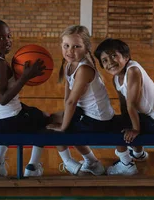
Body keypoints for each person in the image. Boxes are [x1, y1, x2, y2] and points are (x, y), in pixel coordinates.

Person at [0, 19, 52, 177]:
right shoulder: (0, 64)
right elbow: (3, 99)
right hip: (7, 119)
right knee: (45, 120)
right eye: (0, 39)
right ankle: (33, 167)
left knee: (28, 110)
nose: (7, 41)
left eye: (8, 36)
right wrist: (25, 77)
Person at [94, 38, 154, 175]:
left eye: (113, 56)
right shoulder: (116, 78)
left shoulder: (133, 70)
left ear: (126, 56)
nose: (110, 62)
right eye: (104, 60)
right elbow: (124, 105)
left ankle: (126, 165)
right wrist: (126, 122)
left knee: (116, 129)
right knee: (118, 122)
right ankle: (138, 154)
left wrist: (134, 129)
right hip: (148, 115)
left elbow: (131, 104)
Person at [47, 25, 114, 176]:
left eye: (76, 46)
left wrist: (63, 126)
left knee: (58, 130)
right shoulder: (69, 64)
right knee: (53, 118)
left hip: (98, 119)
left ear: (86, 48)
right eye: (66, 46)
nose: (70, 51)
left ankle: (70, 163)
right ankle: (92, 162)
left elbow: (71, 102)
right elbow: (67, 97)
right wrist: (64, 117)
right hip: (89, 113)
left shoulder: (84, 69)